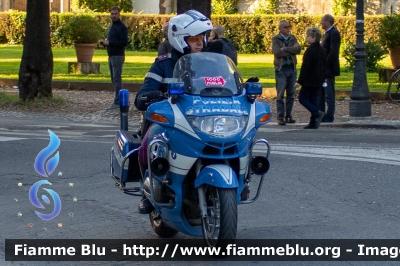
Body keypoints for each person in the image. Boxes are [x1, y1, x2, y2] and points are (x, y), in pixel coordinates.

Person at [134, 10, 213, 214]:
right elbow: (142, 95)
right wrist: (150, 95)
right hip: (170, 123)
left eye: (202, 38)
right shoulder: (164, 64)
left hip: (200, 122)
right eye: (194, 39)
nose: (200, 43)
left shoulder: (210, 64)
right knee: (147, 145)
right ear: (179, 40)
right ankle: (148, 190)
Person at [294, 27, 326, 129]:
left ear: (314, 37)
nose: (307, 38)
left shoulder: (310, 50)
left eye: (308, 36)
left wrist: (300, 81)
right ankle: (313, 121)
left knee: (303, 99)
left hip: (309, 80)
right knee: (313, 100)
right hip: (318, 79)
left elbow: (306, 67)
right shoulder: (322, 50)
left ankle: (317, 112)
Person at [272, 20, 301, 126]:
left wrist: (285, 48)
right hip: (281, 69)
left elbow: (298, 50)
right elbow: (277, 52)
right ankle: (280, 117)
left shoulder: (292, 37)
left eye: (289, 27)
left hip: (291, 68)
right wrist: (291, 49)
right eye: (285, 27)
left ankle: (288, 116)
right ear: (280, 28)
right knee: (280, 95)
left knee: (291, 94)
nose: (288, 29)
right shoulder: (276, 39)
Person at [99, 6, 128, 110]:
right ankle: (118, 100)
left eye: (116, 14)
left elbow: (124, 42)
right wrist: (105, 43)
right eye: (112, 14)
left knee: (117, 79)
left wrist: (110, 43)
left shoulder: (121, 27)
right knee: (114, 79)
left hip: (118, 55)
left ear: (119, 14)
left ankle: (117, 102)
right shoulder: (112, 26)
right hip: (111, 55)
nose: (114, 16)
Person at [318, 14, 341, 122]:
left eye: (322, 21)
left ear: (327, 21)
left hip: (328, 69)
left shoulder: (333, 33)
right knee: (323, 93)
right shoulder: (328, 33)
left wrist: (325, 64)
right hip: (325, 69)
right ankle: (323, 114)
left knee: (329, 94)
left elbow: (333, 52)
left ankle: (329, 115)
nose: (321, 23)